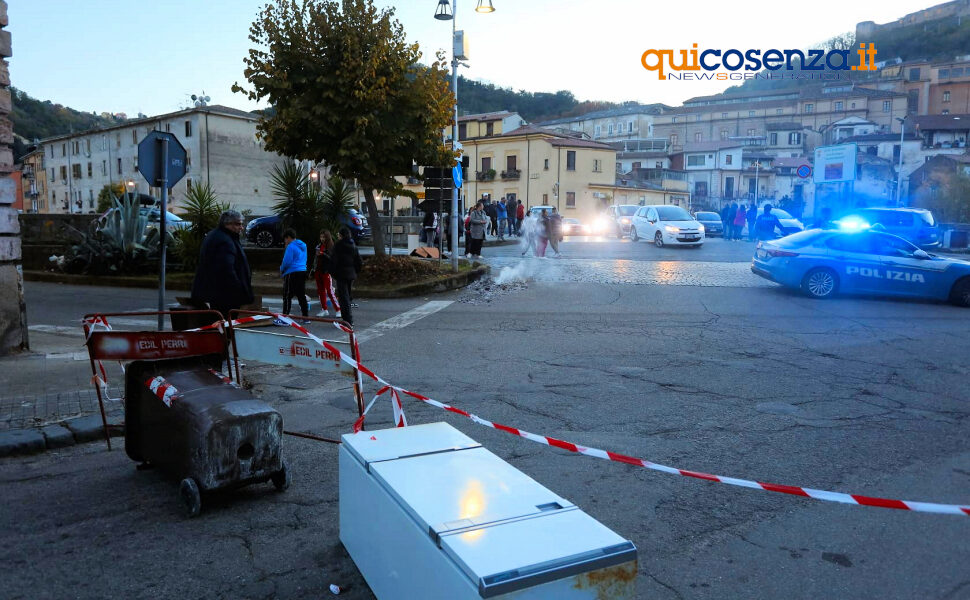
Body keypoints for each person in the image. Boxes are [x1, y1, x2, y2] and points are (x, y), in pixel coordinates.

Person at [191, 210, 254, 321]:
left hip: (215, 295)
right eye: (238, 224)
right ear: (227, 224)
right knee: (224, 328)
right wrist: (239, 290)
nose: (241, 227)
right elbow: (226, 270)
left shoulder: (216, 236)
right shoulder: (225, 241)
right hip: (225, 297)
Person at [330, 227, 363, 326]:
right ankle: (348, 319)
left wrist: (333, 273)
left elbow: (333, 261)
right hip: (351, 274)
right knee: (347, 296)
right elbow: (359, 261)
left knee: (343, 297)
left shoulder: (338, 246)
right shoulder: (353, 245)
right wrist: (355, 271)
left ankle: (347, 319)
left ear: (341, 235)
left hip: (341, 274)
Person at [280, 228, 309, 322]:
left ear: (288, 237)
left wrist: (282, 269)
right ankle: (306, 317)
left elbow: (287, 261)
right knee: (301, 295)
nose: (285, 241)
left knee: (287, 295)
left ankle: (285, 316)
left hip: (292, 272)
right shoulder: (303, 245)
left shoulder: (291, 246)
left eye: (285, 238)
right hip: (302, 271)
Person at [313, 229, 340, 318]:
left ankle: (338, 309)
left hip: (326, 271)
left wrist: (323, 254)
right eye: (321, 237)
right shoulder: (319, 245)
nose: (322, 239)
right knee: (321, 291)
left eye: (324, 237)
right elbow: (316, 259)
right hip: (318, 270)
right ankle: (324, 309)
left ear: (327, 237)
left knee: (329, 291)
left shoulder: (331, 246)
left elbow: (332, 259)